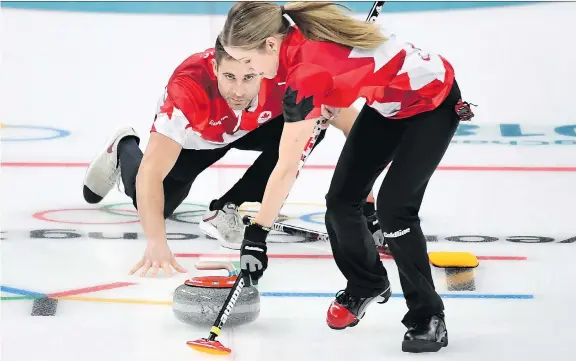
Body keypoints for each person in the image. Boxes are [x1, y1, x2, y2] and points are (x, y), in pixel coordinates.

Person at [219, 1, 475, 353]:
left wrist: (257, 233)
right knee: (341, 202)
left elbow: (286, 165)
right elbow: (351, 70)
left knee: (394, 210)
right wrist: (337, 94)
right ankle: (366, 282)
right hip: (387, 107)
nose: (251, 70)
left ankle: (428, 316)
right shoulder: (294, 35)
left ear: (271, 44)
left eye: (249, 61)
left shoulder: (306, 71)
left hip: (433, 102)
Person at [82, 37, 381, 275]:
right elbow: (151, 173)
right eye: (229, 77)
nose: (239, 90)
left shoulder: (280, 74)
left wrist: (365, 195)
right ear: (215, 69)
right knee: (157, 208)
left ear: (261, 69)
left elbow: (353, 126)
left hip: (255, 127)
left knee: (314, 123)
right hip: (198, 140)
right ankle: (124, 147)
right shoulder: (188, 89)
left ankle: (228, 208)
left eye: (248, 77)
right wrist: (157, 243)